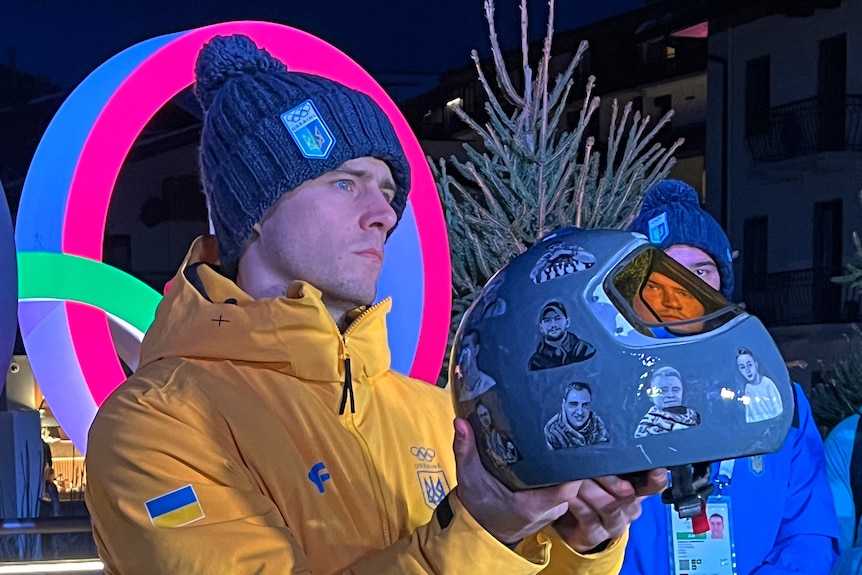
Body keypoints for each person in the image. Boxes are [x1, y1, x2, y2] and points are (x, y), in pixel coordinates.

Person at [85, 34, 667, 575]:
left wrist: (574, 543)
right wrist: (481, 530)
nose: (384, 214)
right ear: (255, 211)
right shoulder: (156, 425)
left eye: (388, 190)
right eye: (345, 182)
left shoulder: (434, 413)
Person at [621, 179, 839, 575]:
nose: (681, 291)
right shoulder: (604, 399)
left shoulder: (779, 401)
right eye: (661, 275)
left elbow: (810, 534)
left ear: (722, 281)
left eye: (700, 271)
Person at [633, 366, 700, 438]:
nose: (670, 395)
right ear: (650, 394)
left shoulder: (694, 416)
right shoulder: (646, 428)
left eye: (675, 389)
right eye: (663, 390)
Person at [529, 301, 596, 371]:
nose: (553, 325)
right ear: (541, 327)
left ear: (567, 322)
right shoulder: (536, 362)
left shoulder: (584, 350)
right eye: (547, 321)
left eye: (558, 319)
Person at [544, 382, 609, 449]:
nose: (580, 412)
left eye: (585, 405)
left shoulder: (598, 426)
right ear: (564, 404)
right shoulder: (552, 431)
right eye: (573, 404)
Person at [736, 346, 784, 423]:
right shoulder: (746, 389)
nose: (747, 370)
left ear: (756, 364)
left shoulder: (768, 384)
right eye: (742, 367)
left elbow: (779, 412)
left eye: (750, 365)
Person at [456, 328, 497, 401]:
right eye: (464, 347)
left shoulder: (488, 386)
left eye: (468, 347)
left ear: (476, 350)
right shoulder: (454, 383)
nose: (464, 352)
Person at [476, 400, 521, 465]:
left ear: (490, 413)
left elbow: (515, 457)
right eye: (481, 416)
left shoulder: (502, 435)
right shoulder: (484, 439)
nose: (484, 418)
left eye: (485, 414)